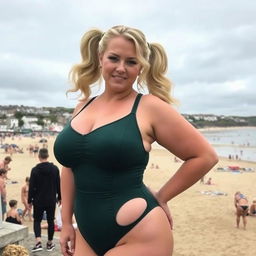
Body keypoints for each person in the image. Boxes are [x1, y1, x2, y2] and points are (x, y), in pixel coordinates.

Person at [53, 25, 218, 256]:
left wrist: (162, 195)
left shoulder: (149, 107)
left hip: (140, 232)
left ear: (141, 67)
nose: (121, 68)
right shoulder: (83, 106)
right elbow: (70, 167)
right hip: (86, 235)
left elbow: (204, 156)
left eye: (131, 62)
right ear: (101, 59)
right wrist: (67, 222)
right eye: (114, 58)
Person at [28, 148, 61, 252]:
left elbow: (31, 186)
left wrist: (29, 200)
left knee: (37, 220)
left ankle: (38, 243)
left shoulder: (35, 170)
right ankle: (50, 244)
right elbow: (58, 184)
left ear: (39, 157)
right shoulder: (55, 169)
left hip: (38, 200)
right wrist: (60, 197)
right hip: (51, 199)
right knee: (51, 221)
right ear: (47, 156)